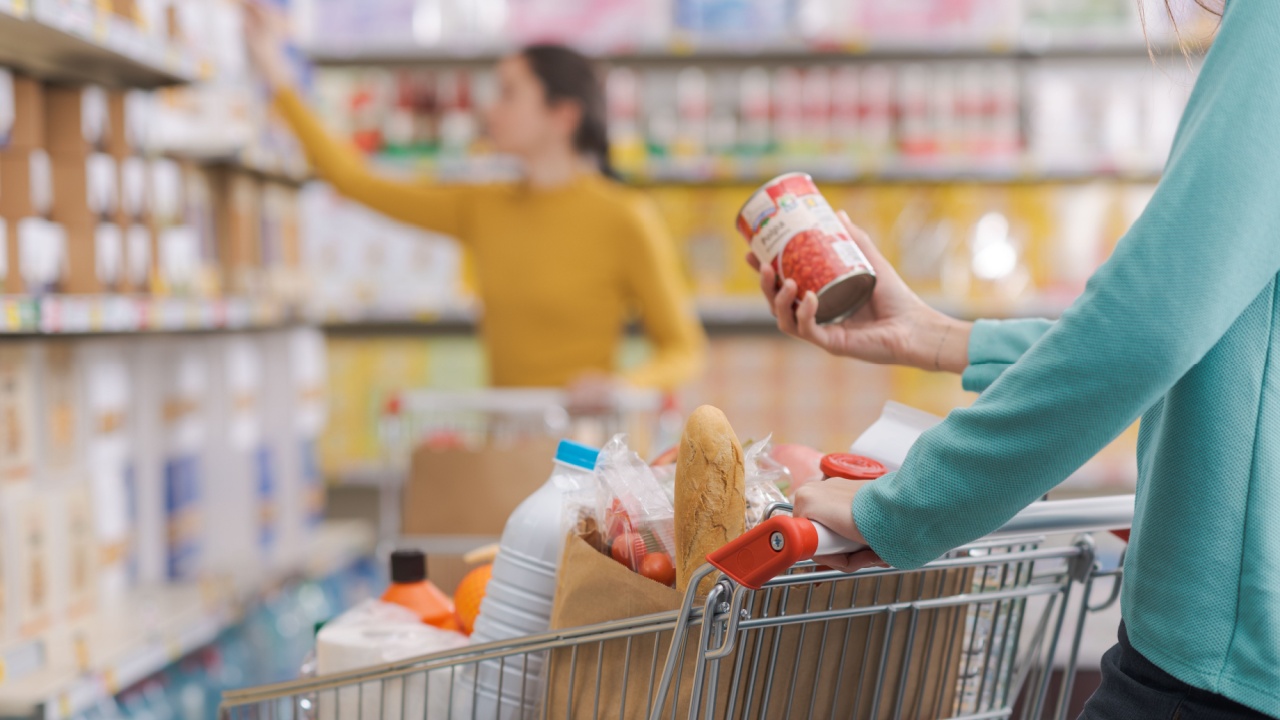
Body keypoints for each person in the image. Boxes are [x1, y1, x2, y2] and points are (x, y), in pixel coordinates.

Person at [755, 2, 1280, 718]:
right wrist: (944, 339)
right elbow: (1232, 348)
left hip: (1219, 674)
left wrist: (911, 506)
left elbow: (1151, 326)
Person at [244, 11, 706, 404]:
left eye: (508, 93)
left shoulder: (625, 216)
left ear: (563, 116)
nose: (490, 110)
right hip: (504, 439)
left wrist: (622, 386)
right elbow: (355, 181)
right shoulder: (481, 207)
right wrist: (275, 75)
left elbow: (684, 349)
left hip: (587, 451)